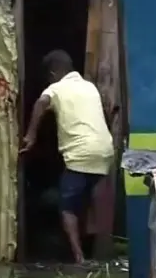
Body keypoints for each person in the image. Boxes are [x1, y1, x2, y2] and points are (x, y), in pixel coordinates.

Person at [19, 50, 114, 264]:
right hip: (104, 151)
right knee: (89, 202)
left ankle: (79, 256)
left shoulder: (56, 88)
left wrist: (31, 135)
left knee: (67, 208)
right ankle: (97, 252)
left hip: (80, 154)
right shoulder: (90, 87)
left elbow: (41, 103)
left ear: (53, 73)